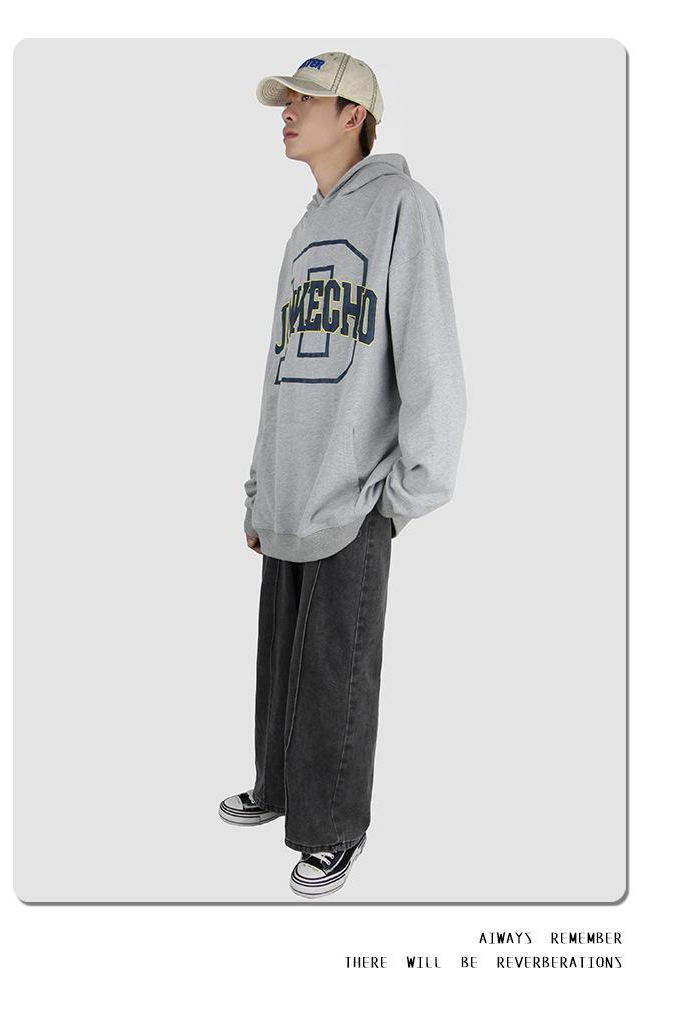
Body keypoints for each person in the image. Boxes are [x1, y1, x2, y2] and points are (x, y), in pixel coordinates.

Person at [219, 51, 467, 898]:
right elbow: (278, 369)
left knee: (336, 670)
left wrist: (407, 491)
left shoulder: (403, 207)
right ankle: (278, 788)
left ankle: (334, 829)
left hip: (354, 496)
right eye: (285, 102)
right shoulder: (303, 229)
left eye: (306, 101)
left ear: (353, 115)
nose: (287, 113)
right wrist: (259, 488)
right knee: (281, 661)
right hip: (291, 489)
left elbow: (432, 357)